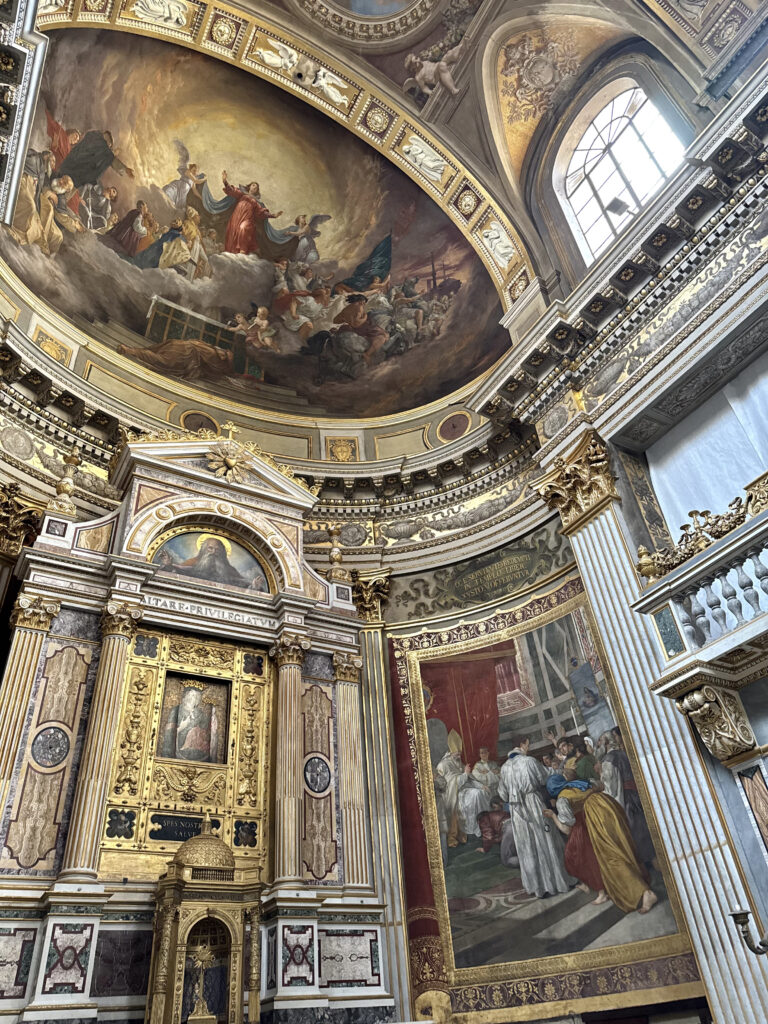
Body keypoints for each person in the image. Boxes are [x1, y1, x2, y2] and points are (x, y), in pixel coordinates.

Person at [544, 773, 658, 914]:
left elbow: (567, 829)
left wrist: (553, 816)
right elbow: (601, 785)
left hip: (597, 818)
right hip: (610, 807)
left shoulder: (562, 800)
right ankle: (638, 887)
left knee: (611, 856)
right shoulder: (581, 783)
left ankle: (646, 894)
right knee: (622, 847)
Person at [498, 738, 573, 898]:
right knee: (545, 840)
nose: (528, 747)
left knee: (528, 846)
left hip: (517, 810)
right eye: (527, 744)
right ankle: (554, 883)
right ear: (522, 745)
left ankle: (537, 887)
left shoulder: (504, 768)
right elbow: (543, 778)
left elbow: (503, 794)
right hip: (533, 803)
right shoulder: (529, 761)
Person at [599, 729, 656, 866]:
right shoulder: (623, 753)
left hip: (626, 801)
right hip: (636, 797)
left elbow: (611, 790)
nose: (598, 745)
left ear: (606, 742)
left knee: (635, 837)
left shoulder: (608, 760)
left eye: (600, 742)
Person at [435, 749, 490, 845]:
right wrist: (465, 774)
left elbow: (470, 779)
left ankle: (484, 826)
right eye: (457, 753)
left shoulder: (459, 762)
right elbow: (451, 784)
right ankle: (474, 829)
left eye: (460, 753)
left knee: (482, 793)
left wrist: (481, 786)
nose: (459, 755)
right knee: (476, 795)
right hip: (454, 794)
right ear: (451, 752)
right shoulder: (444, 765)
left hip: (466, 789)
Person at [57, 129, 134, 189]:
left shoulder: (92, 134)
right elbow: (111, 159)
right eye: (110, 146)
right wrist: (125, 169)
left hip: (72, 161)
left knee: (62, 178)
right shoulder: (102, 146)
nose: (109, 147)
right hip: (79, 167)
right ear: (109, 142)